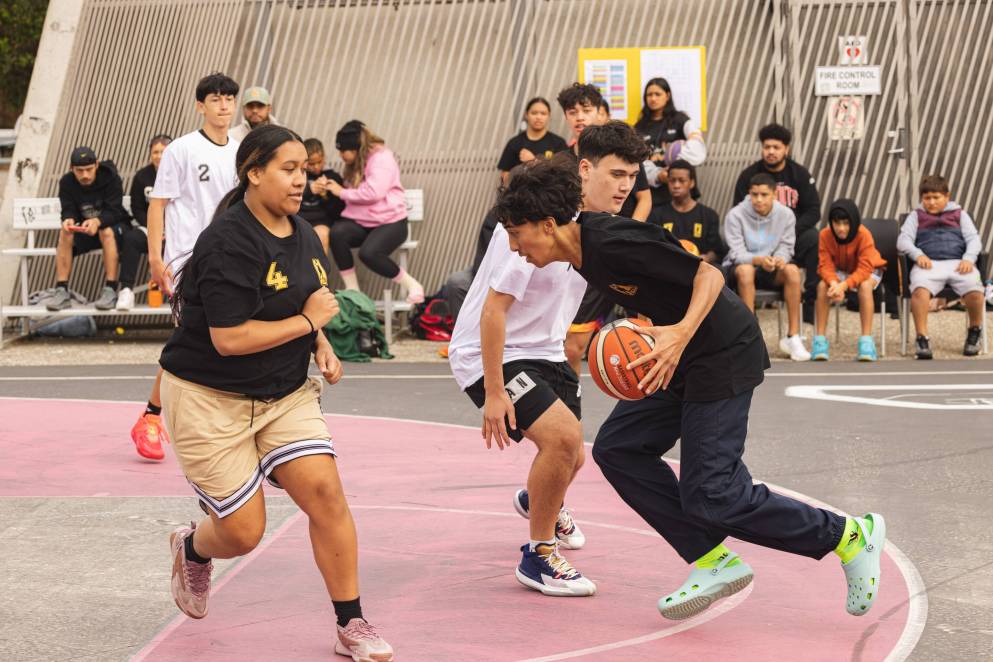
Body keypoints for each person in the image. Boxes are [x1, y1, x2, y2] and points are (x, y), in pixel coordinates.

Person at [495, 156, 887, 622]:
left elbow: (707, 274)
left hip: (720, 351)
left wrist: (678, 332)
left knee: (713, 495)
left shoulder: (614, 240)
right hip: (676, 357)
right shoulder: (579, 257)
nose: (515, 247)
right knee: (619, 449)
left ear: (548, 223)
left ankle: (847, 536)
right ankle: (712, 560)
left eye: (517, 235)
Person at [158, 125, 393, 660]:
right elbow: (230, 337)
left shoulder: (304, 232)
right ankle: (193, 546)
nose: (300, 179)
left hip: (283, 394)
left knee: (326, 495)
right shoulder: (226, 242)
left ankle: (350, 622)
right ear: (253, 172)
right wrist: (308, 325)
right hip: (208, 397)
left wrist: (322, 344)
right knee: (242, 533)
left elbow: (313, 299)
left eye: (303, 169)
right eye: (287, 169)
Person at [447, 123, 647, 598]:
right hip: (490, 351)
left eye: (632, 177)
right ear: (585, 169)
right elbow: (494, 310)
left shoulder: (598, 225)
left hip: (546, 348)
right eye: (615, 174)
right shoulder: (543, 218)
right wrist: (493, 392)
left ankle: (538, 501)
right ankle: (538, 557)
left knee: (572, 454)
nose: (624, 186)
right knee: (562, 439)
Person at [131, 72, 241, 462]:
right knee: (194, 334)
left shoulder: (241, 150)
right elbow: (158, 204)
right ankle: (151, 417)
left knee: (210, 338)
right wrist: (157, 258)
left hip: (230, 257)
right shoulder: (181, 149)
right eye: (215, 99)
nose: (223, 105)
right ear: (201, 105)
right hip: (187, 258)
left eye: (229, 98)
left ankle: (171, 415)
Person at [325, 120, 425, 304]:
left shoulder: (381, 159)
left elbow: (374, 193)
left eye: (342, 150)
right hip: (367, 221)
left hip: (392, 222)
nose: (340, 155)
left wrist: (341, 192)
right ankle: (354, 292)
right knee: (337, 233)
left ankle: (413, 285)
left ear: (354, 148)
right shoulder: (359, 161)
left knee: (369, 253)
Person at [734, 124, 820, 319]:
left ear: (786, 149)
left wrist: (787, 231)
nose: (771, 152)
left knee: (814, 237)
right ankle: (748, 315)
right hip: (757, 237)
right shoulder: (749, 176)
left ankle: (810, 300)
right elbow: (739, 211)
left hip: (792, 236)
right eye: (767, 147)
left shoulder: (800, 174)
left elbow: (814, 211)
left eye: (776, 147)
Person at [897, 174, 985, 358]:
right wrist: (918, 254)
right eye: (927, 198)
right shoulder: (916, 216)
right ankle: (922, 339)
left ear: (947, 196)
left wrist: (969, 259)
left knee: (976, 291)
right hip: (928, 265)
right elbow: (903, 240)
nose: (931, 202)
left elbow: (974, 240)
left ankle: (974, 332)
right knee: (919, 292)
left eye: (936, 197)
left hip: (959, 264)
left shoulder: (961, 215)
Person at [724, 173, 810, 361]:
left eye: (764, 194)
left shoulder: (786, 215)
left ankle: (793, 337)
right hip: (741, 268)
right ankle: (749, 337)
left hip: (770, 267)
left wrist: (779, 259)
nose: (759, 199)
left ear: (774, 195)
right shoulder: (735, 215)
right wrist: (760, 260)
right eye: (754, 194)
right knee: (746, 271)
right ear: (749, 194)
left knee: (792, 271)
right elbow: (737, 254)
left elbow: (787, 247)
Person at [46, 147, 131, 312]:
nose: (85, 175)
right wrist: (68, 220)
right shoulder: (66, 182)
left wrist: (97, 221)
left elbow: (114, 210)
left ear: (97, 165)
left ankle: (110, 289)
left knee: (105, 230)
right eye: (79, 171)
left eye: (89, 169)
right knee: (65, 231)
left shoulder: (111, 177)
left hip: (115, 228)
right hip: (86, 230)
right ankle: (61, 289)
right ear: (72, 168)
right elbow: (68, 209)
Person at [812, 199, 887, 361]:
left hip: (868, 268)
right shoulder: (825, 235)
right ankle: (820, 341)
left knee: (865, 286)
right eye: (836, 223)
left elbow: (865, 268)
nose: (841, 228)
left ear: (853, 222)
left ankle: (866, 342)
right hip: (841, 270)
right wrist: (833, 284)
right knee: (821, 286)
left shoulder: (863, 234)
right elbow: (825, 265)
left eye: (846, 223)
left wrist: (843, 286)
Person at [634, 77, 707, 211]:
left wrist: (674, 169)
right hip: (653, 194)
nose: (653, 98)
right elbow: (636, 161)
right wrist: (658, 175)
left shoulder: (680, 119)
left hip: (680, 191)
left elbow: (697, 143)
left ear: (667, 95)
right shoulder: (639, 126)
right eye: (649, 95)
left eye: (657, 94)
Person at [117, 134, 172, 310]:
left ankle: (185, 293)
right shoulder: (142, 176)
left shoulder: (181, 173)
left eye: (163, 152)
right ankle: (126, 291)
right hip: (150, 228)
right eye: (155, 152)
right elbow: (137, 207)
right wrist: (155, 228)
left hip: (175, 230)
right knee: (131, 239)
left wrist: (169, 229)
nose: (158, 156)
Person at [648, 160, 723, 264]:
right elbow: (651, 246)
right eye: (672, 180)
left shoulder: (709, 215)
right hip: (665, 267)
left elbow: (717, 250)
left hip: (700, 268)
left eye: (682, 180)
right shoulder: (656, 214)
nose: (676, 185)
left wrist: (706, 258)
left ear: (692, 183)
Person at [497, 97, 566, 184]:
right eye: (534, 113)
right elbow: (505, 177)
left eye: (543, 113)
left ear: (549, 116)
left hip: (549, 195)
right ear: (526, 115)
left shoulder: (558, 143)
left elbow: (564, 175)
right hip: (521, 195)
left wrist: (534, 161)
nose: (538, 117)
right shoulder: (514, 143)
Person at [300, 138, 345, 256]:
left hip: (321, 221)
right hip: (298, 219)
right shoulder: (297, 175)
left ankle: (318, 274)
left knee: (322, 236)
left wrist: (325, 195)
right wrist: (309, 190)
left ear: (324, 157)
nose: (316, 167)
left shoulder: (333, 177)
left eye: (319, 162)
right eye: (311, 163)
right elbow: (284, 196)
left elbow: (337, 212)